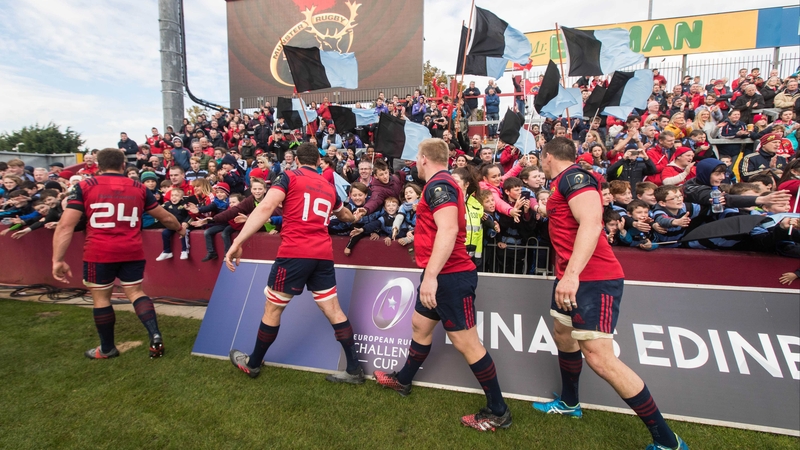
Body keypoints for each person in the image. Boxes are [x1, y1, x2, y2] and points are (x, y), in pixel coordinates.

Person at [532, 137, 689, 450]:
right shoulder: (565, 182)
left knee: (601, 359)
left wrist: (573, 275)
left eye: (540, 157)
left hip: (592, 278)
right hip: (570, 276)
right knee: (563, 334)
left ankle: (667, 441)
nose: (539, 162)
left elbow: (591, 224)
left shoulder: (575, 178)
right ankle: (570, 403)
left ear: (547, 156)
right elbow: (571, 221)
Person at [373, 138, 512, 432]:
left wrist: (432, 276)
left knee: (466, 343)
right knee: (419, 326)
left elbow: (448, 230)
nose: (415, 165)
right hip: (440, 273)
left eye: (416, 159)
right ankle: (404, 381)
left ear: (424, 158)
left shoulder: (439, 185)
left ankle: (498, 410)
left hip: (450, 276)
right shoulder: (442, 184)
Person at [224, 143, 366, 384]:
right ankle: (354, 369)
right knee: (333, 309)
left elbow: (266, 207)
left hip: (294, 254)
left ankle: (253, 363)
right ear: (318, 162)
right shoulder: (329, 186)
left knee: (273, 309)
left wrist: (238, 241)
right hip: (322, 255)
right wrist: (355, 216)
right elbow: (344, 215)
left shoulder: (289, 176)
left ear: (297, 161)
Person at [52, 148, 183, 360]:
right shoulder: (138, 187)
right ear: (123, 165)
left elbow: (65, 226)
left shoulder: (85, 186)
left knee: (102, 298)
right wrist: (180, 228)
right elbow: (166, 217)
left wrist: (57, 259)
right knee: (136, 292)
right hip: (131, 249)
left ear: (98, 165)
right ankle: (155, 334)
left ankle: (107, 348)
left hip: (99, 252)